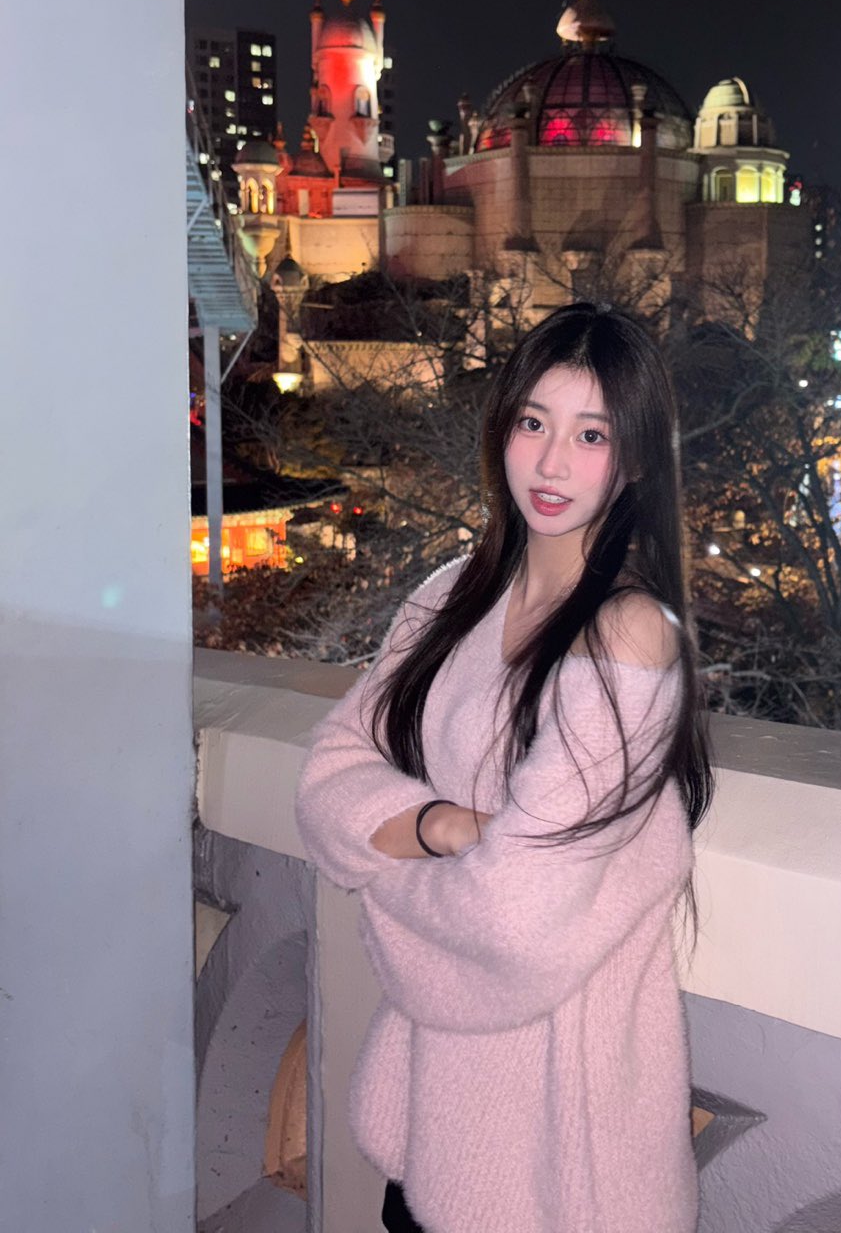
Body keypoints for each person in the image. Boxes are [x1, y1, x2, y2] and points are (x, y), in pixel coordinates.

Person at [295, 302, 714, 1233]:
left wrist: (381, 871)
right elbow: (326, 777)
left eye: (591, 435)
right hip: (433, 1123)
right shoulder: (452, 595)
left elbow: (513, 925)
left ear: (636, 459)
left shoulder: (628, 636)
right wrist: (441, 828)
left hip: (555, 1157)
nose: (552, 464)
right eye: (533, 422)